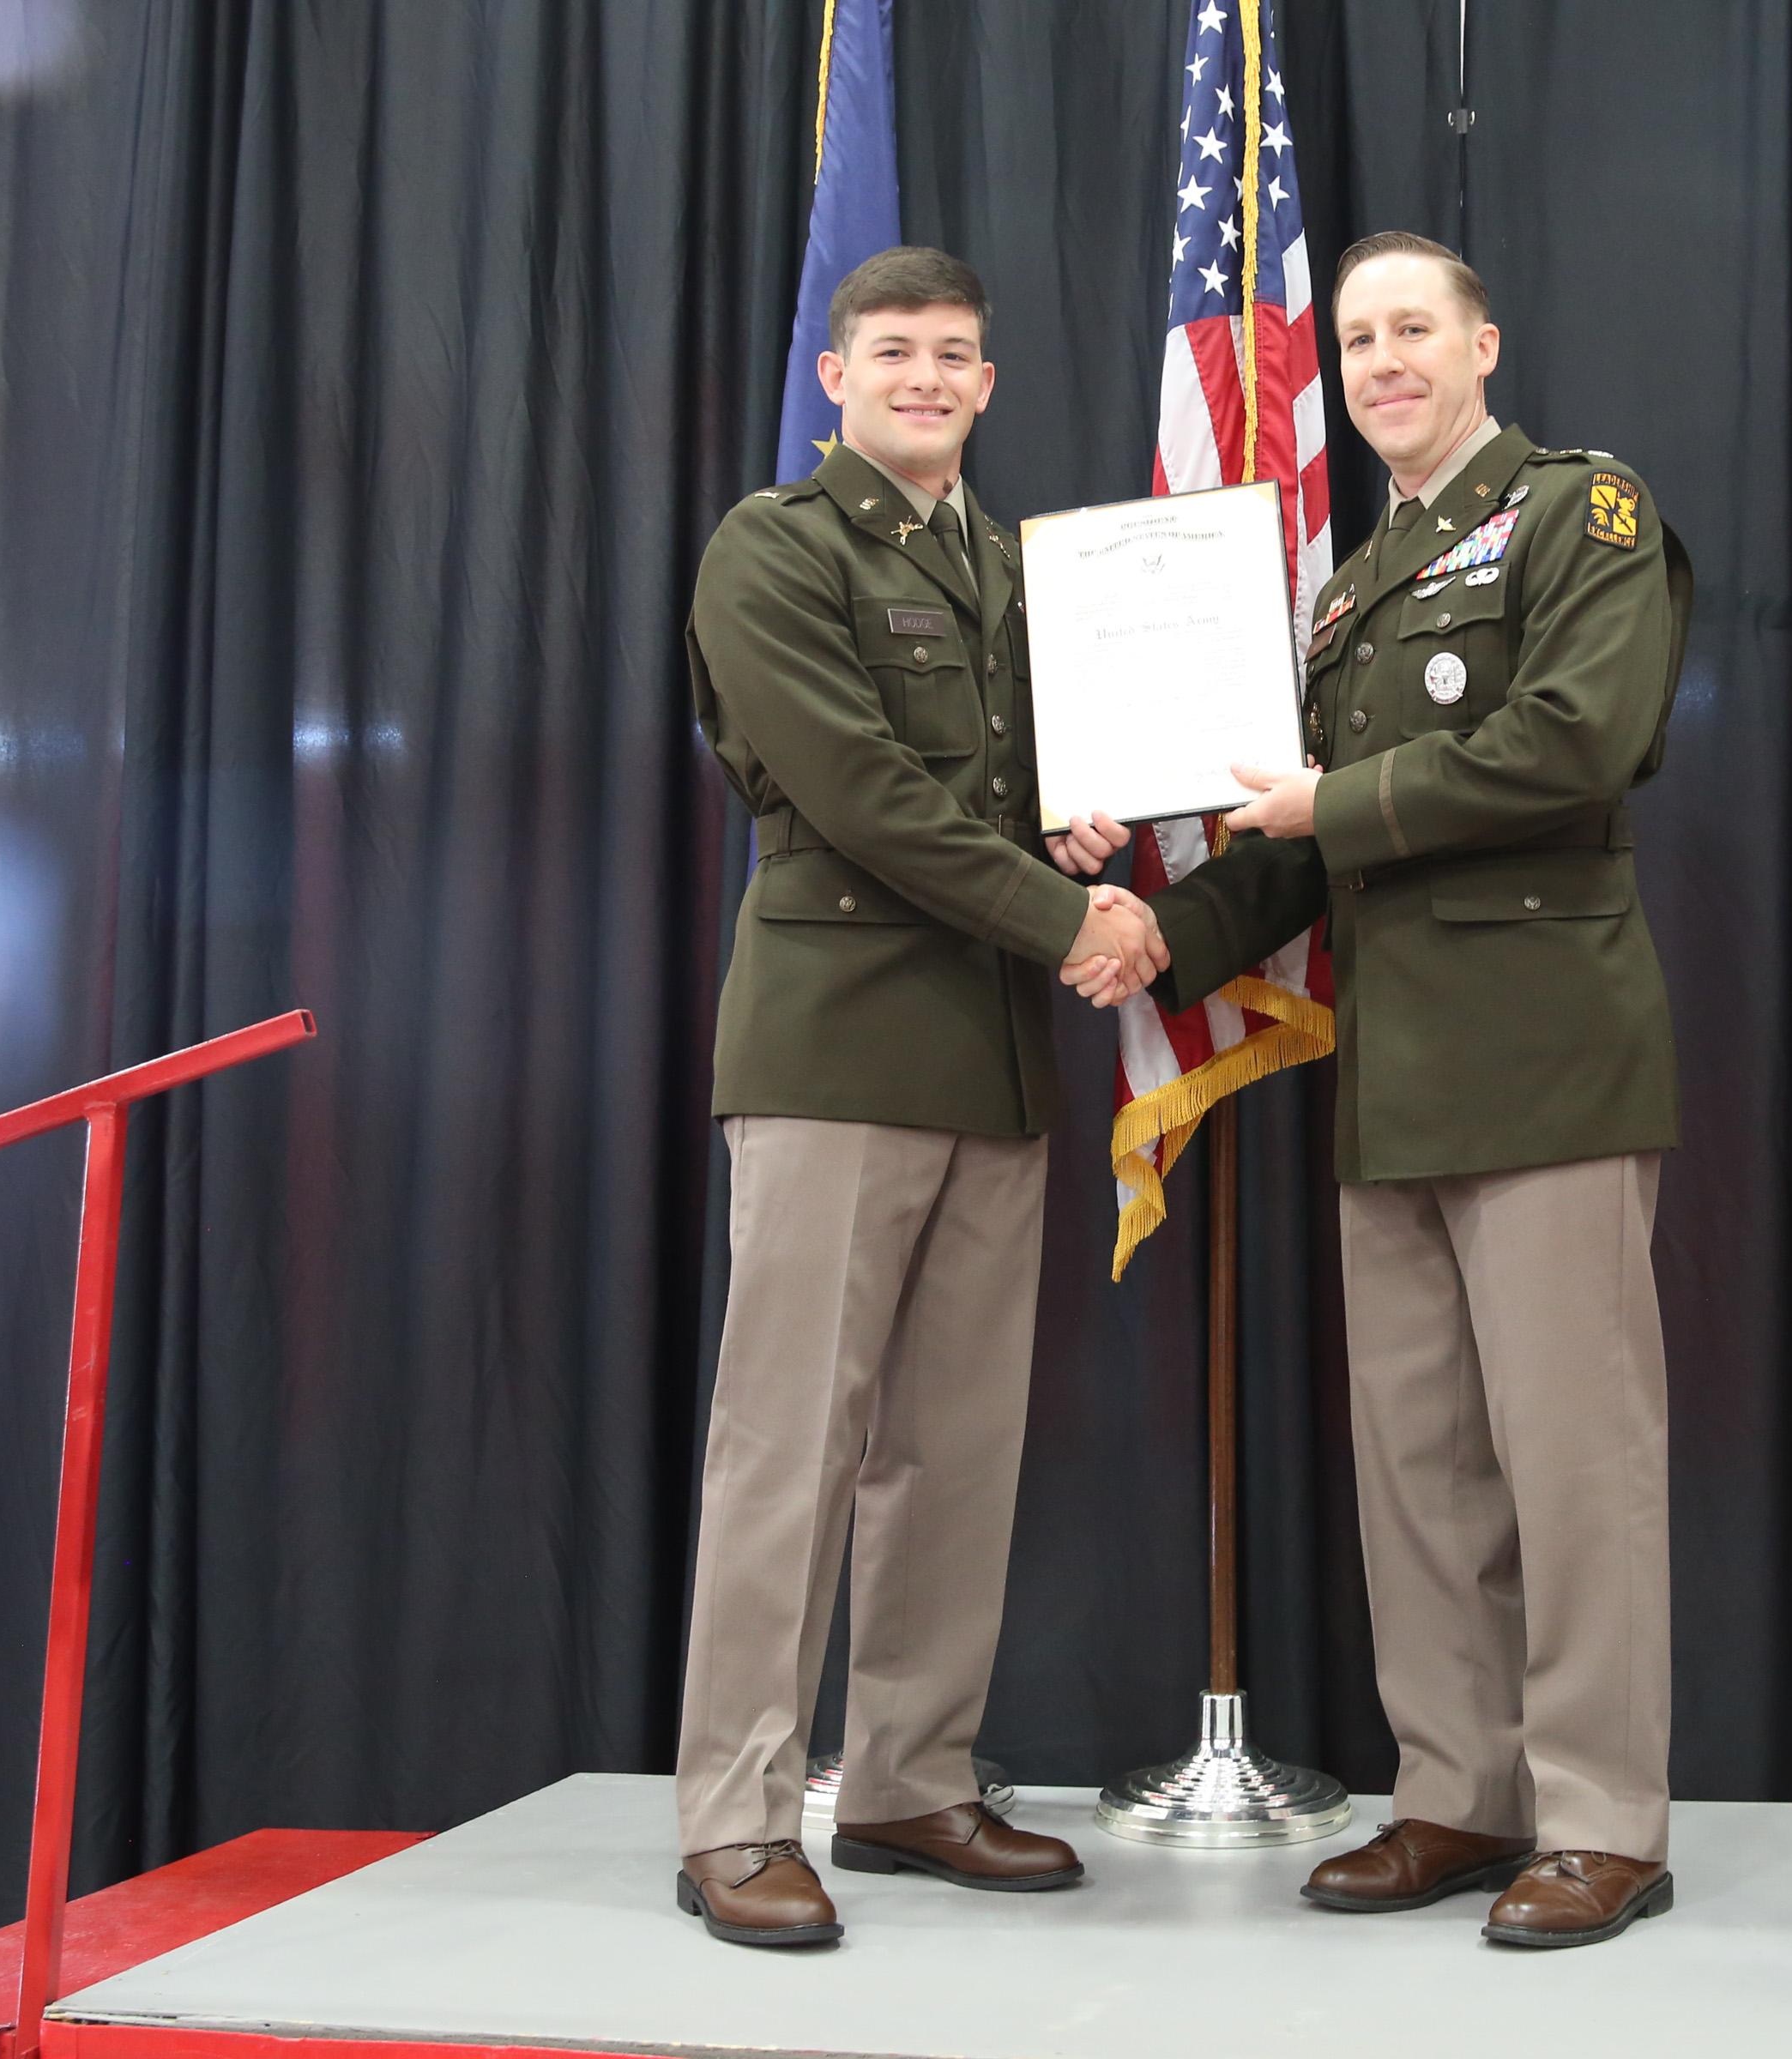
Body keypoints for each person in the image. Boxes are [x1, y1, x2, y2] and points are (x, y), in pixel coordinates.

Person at [1063, 230, 1692, 1949]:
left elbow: (1575, 740)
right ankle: (1461, 1800)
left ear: (1486, 341)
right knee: (1421, 1473)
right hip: (1397, 1075)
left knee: (1576, 1466)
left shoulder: (1583, 518)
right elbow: (1292, 853)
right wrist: (1150, 942)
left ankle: (1603, 1824)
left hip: (1552, 1058)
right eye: (1356, 339)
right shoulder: (1347, 588)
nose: (1384, 359)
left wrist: (1328, 810)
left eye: (1415, 327)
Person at [674, 245, 1168, 1948]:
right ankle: (737, 1813)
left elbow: (1015, 782)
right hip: (839, 1041)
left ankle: (904, 1781)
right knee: (789, 1446)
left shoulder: (1023, 571)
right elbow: (867, 791)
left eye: (956, 356)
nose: (928, 379)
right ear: (836, 375)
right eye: (895, 354)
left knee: (953, 1452)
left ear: (988, 383)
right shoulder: (774, 547)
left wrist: (1081, 825)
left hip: (993, 1053)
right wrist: (1064, 912)